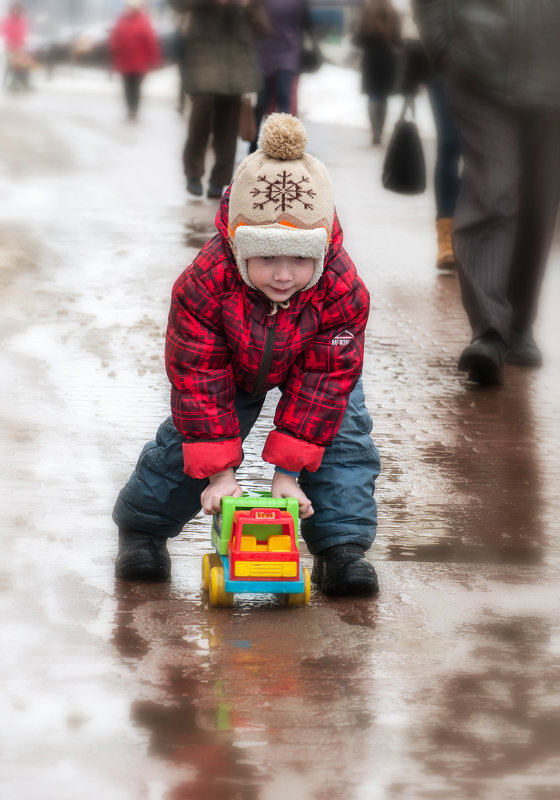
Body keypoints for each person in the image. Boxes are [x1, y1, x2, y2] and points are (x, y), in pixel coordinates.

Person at [113, 113, 381, 597]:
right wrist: (220, 473)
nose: (283, 275)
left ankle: (342, 548)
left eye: (300, 259)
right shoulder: (205, 282)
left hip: (310, 364)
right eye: (266, 258)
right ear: (238, 248)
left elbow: (326, 381)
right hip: (229, 366)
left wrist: (288, 474)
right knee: (190, 438)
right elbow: (197, 377)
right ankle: (143, 531)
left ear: (322, 250)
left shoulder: (341, 287)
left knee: (343, 439)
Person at [413, 0, 560, 385]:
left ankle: (520, 323)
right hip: (479, 65)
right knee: (493, 189)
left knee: (539, 201)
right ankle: (489, 330)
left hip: (552, 71)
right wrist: (443, 44)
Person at [169, 0, 268, 200]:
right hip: (202, 57)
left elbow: (262, 29)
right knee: (201, 114)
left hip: (234, 61)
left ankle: (218, 180)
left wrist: (247, 5)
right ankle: (193, 173)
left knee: (228, 123)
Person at [248, 0, 309, 154]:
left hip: (288, 51)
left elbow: (304, 24)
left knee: (283, 95)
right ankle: (253, 142)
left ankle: (284, 142)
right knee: (262, 101)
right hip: (264, 52)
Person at [354, 0, 401, 145]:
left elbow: (359, 38)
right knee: (384, 95)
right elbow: (398, 39)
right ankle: (380, 129)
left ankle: (375, 131)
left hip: (371, 58)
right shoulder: (393, 11)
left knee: (373, 95)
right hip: (388, 58)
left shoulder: (367, 11)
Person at [110, 0, 161, 121]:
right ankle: (130, 109)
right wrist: (114, 55)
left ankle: (135, 109)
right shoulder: (121, 21)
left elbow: (150, 42)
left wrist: (154, 60)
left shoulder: (143, 21)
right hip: (125, 63)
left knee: (136, 87)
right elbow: (115, 40)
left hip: (139, 63)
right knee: (127, 87)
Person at [1, 3, 30, 91]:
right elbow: (3, 32)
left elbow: (24, 32)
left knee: (22, 65)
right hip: (10, 47)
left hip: (20, 47)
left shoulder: (22, 21)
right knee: (11, 65)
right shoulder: (6, 20)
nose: (15, 11)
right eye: (14, 9)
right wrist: (7, 42)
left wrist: (23, 43)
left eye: (17, 9)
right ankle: (9, 82)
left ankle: (23, 81)